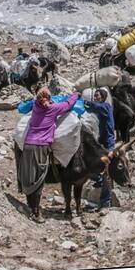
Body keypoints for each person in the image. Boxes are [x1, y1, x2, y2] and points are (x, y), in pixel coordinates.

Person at [18, 86, 80, 223]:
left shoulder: (35, 106)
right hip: (40, 146)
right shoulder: (53, 109)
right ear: (49, 98)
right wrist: (76, 95)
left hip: (28, 145)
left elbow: (40, 102)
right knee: (39, 178)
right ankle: (36, 212)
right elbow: (68, 104)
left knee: (30, 175)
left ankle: (31, 206)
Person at [84, 88, 115, 209]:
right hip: (99, 144)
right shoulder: (97, 109)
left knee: (106, 172)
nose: (96, 97)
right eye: (95, 96)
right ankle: (98, 180)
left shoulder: (106, 107)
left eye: (98, 96)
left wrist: (83, 102)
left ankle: (105, 201)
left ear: (103, 97)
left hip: (108, 144)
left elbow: (94, 107)